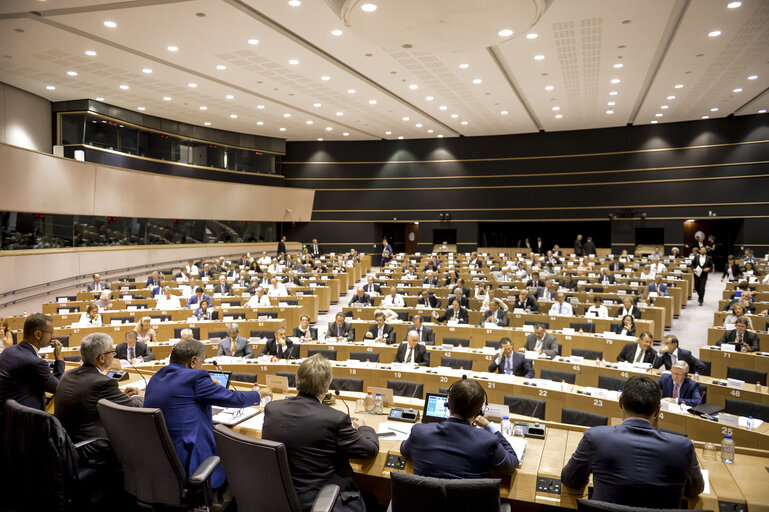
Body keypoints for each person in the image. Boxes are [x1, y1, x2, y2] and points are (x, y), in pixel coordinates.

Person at [145, 339, 270, 490]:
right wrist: (259, 394)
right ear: (193, 361)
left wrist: (209, 387)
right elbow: (233, 398)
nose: (202, 367)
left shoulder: (157, 376)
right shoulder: (196, 378)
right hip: (188, 460)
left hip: (159, 460)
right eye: (202, 362)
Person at [561, 375, 704, 508]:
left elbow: (570, 480)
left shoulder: (595, 437)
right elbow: (694, 490)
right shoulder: (683, 447)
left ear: (620, 403)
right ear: (657, 411)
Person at [262, 354, 378, 512]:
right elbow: (369, 450)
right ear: (326, 386)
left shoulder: (272, 409)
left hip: (279, 498)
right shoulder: (335, 419)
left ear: (297, 379)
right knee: (373, 500)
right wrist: (365, 427)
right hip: (320, 501)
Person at [54, 332, 143, 468]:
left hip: (65, 443)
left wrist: (121, 396)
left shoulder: (67, 375)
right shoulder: (103, 382)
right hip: (90, 449)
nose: (114, 355)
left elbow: (90, 398)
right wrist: (140, 396)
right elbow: (133, 408)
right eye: (112, 352)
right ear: (102, 358)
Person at [401, 378, 519, 479]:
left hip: (425, 505)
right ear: (480, 411)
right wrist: (490, 426)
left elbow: (404, 449)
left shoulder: (419, 432)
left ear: (448, 403)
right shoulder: (488, 441)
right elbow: (512, 462)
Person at [0, 313, 64, 411]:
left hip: (7, 412)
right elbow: (58, 387)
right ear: (38, 335)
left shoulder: (8, 351)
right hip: (26, 418)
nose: (53, 336)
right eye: (51, 333)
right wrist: (59, 358)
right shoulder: (35, 363)